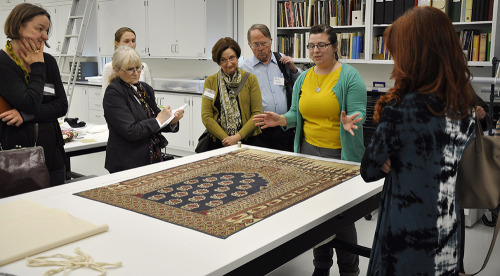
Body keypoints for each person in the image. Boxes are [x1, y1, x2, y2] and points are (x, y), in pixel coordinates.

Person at [360, 6, 477, 275]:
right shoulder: (464, 106)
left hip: (407, 236)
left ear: (414, 54)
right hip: (448, 229)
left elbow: (368, 169)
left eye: (397, 52)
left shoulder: (402, 109)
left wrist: (386, 160)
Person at [253, 24, 366, 276]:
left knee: (342, 217)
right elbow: (296, 113)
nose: (315, 50)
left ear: (335, 46)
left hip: (339, 156)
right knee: (315, 216)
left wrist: (351, 120)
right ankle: (321, 267)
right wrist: (281, 120)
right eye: (311, 45)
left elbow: (360, 111)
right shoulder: (304, 77)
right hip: (306, 153)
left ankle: (349, 270)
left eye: (321, 45)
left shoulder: (349, 76)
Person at [0, 3, 68, 186]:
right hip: (16, 161)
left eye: (46, 30)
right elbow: (30, 101)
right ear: (19, 27)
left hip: (52, 156)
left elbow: (61, 105)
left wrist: (25, 115)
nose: (45, 36)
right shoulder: (3, 63)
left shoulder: (49, 62)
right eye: (39, 29)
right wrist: (38, 66)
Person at [103, 46, 182, 173]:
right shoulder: (114, 92)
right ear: (116, 70)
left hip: (151, 157)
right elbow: (130, 131)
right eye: (130, 69)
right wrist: (158, 120)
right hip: (127, 162)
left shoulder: (144, 88)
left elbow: (157, 121)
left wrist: (171, 120)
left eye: (138, 68)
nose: (136, 72)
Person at [240, 24, 302, 152]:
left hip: (284, 127)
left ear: (271, 41)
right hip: (259, 131)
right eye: (256, 44)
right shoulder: (243, 68)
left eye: (264, 43)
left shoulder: (282, 61)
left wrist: (294, 69)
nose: (261, 48)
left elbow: (302, 84)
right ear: (249, 45)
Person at [200, 37, 263, 149]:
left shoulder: (250, 79)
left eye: (232, 58)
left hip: (248, 140)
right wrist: (227, 139)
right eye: (223, 60)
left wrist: (237, 137)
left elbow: (257, 114)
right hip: (219, 142)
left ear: (237, 57)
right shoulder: (210, 82)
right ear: (218, 61)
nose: (229, 64)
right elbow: (206, 116)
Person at [101, 27, 152, 95]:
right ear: (117, 43)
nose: (131, 45)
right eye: (126, 41)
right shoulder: (109, 67)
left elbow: (149, 93)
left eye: (133, 41)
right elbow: (106, 95)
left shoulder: (143, 66)